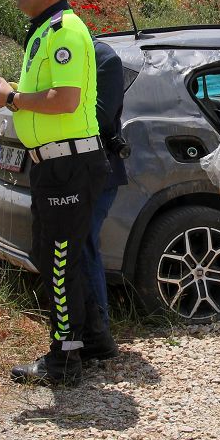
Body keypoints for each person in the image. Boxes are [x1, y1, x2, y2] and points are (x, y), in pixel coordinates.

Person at [0, 0, 113, 386]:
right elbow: (46, 93)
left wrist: (12, 100)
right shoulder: (43, 32)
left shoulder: (66, 29)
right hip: (55, 164)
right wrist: (9, 88)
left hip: (69, 163)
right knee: (52, 254)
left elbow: (65, 101)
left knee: (58, 260)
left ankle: (64, 359)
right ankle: (90, 342)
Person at [81, 39, 128, 363]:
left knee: (84, 247)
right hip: (68, 172)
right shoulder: (69, 58)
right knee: (80, 248)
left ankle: (97, 334)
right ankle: (87, 332)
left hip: (98, 170)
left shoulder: (104, 59)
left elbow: (99, 119)